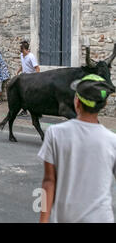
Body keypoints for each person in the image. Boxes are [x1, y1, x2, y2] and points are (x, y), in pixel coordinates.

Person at [38, 74, 116, 223]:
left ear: (77, 102)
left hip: (65, 218)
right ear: (104, 104)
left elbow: (48, 182)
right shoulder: (112, 141)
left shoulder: (55, 133)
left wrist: (43, 220)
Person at [17, 40, 40, 115]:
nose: (19, 50)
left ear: (23, 48)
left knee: (31, 96)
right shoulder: (21, 55)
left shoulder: (31, 56)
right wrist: (19, 70)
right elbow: (23, 64)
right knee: (23, 95)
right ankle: (25, 110)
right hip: (24, 78)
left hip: (31, 78)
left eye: (20, 48)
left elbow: (37, 68)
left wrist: (37, 78)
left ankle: (37, 111)